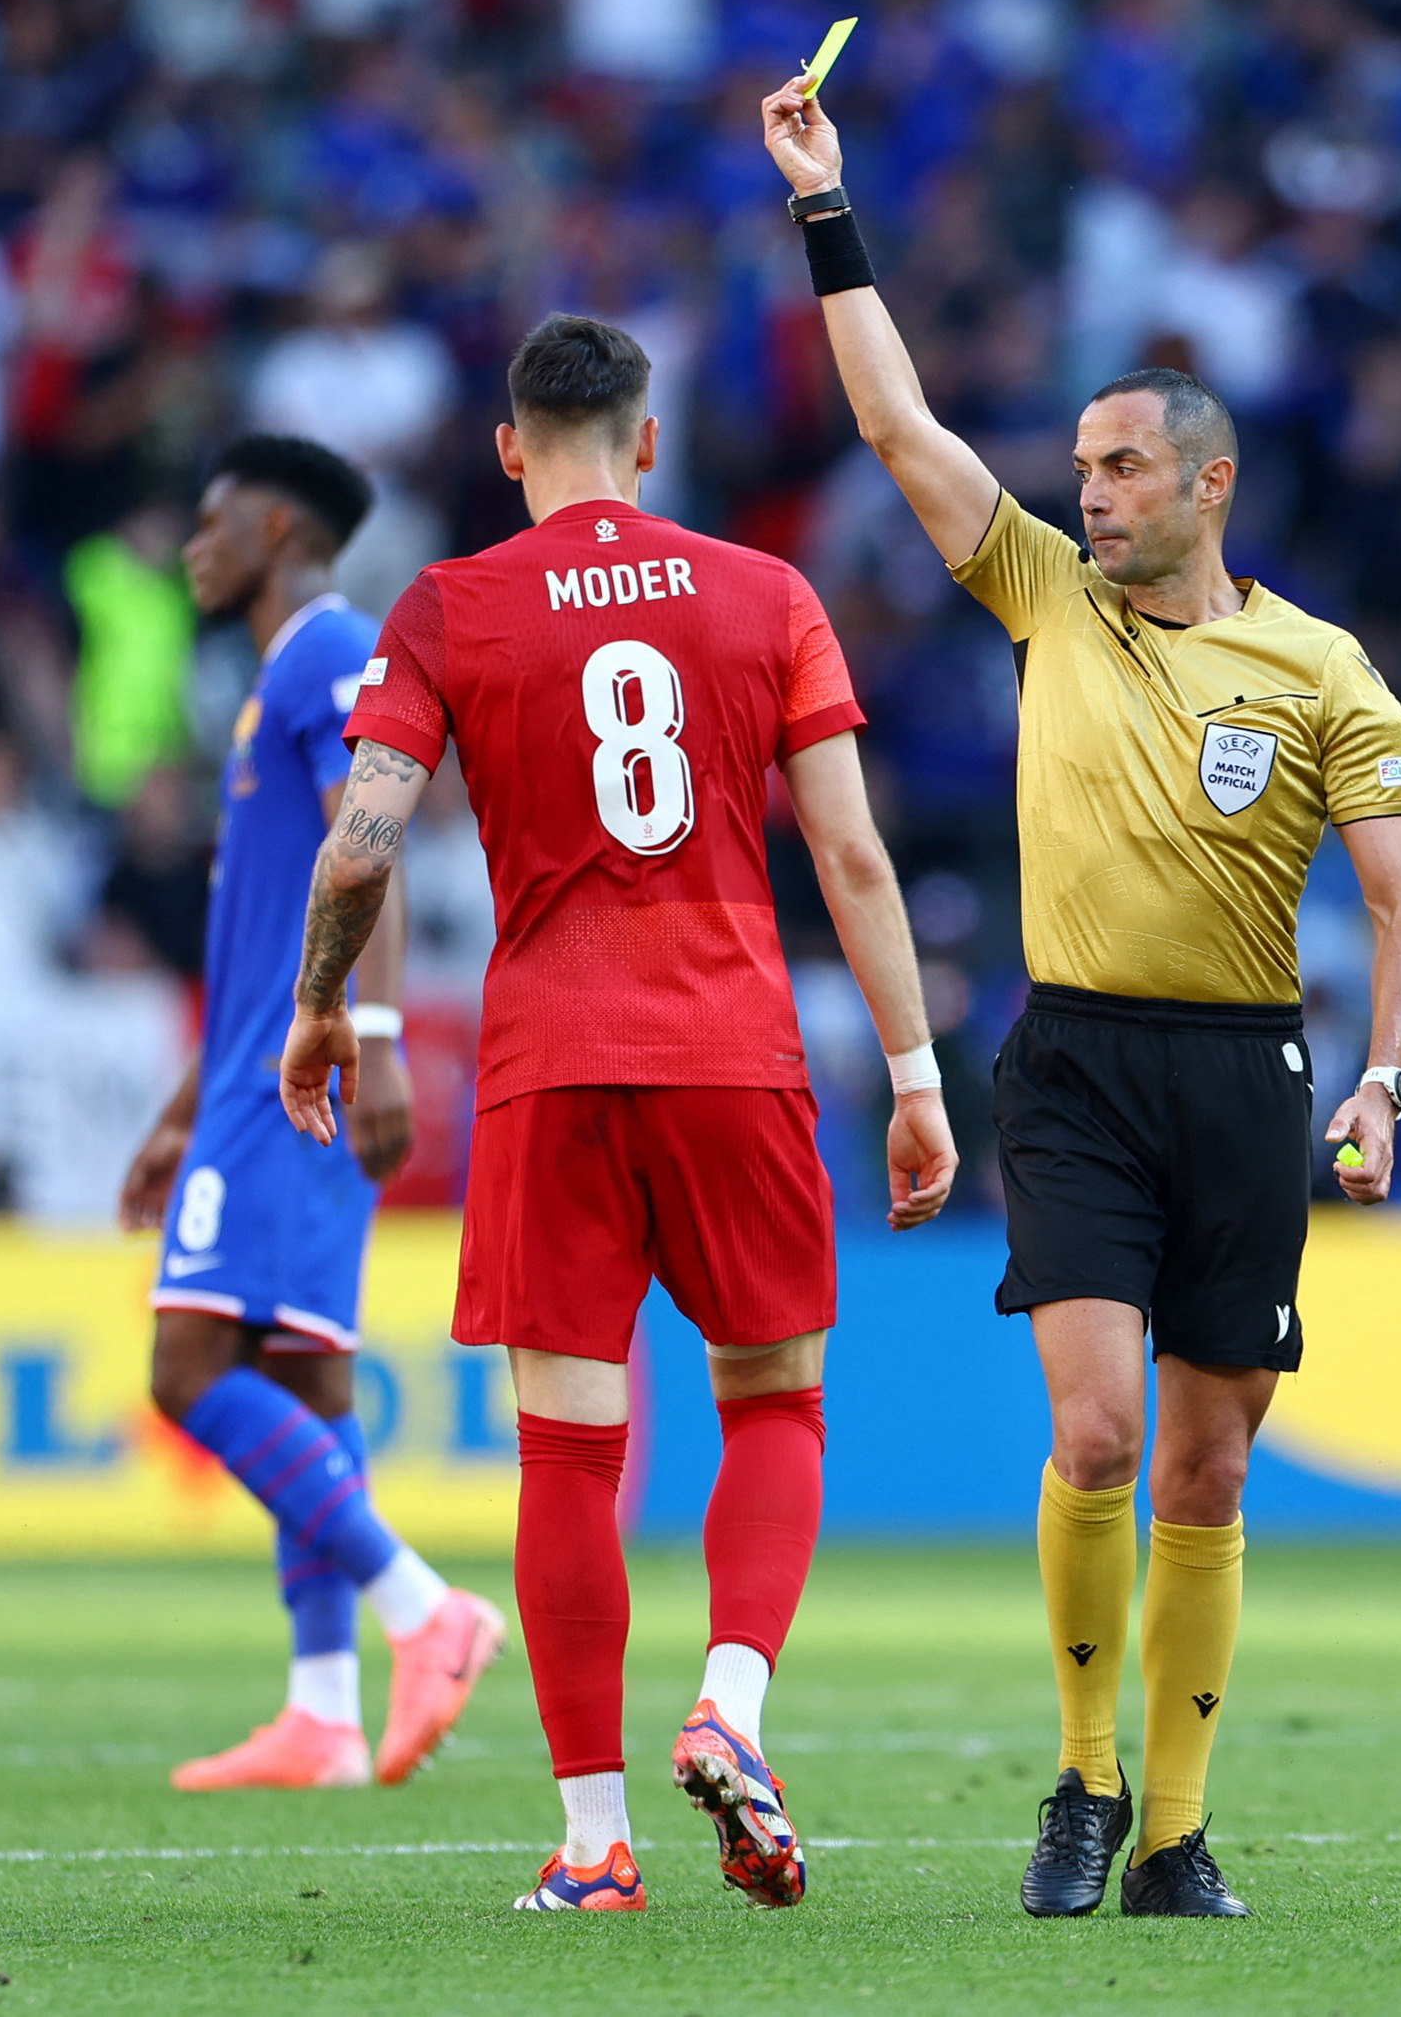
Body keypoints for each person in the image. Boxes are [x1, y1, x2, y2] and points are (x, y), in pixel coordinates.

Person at [761, 76, 1401, 1920]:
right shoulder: (1043, 594)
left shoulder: (1317, 667)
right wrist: (829, 209)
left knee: (1211, 1459)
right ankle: (1078, 1780)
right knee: (1099, 1431)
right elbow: (896, 421)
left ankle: (1176, 1831)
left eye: (1122, 464)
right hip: (1071, 1059)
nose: (1089, 490)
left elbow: (1400, 900)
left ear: (1209, 478)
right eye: (1080, 465)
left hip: (1246, 1071)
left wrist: (1380, 1083)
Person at [280, 313, 960, 1913]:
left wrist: (322, 1004)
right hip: (734, 1050)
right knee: (774, 1405)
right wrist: (918, 1072)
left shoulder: (448, 606)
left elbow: (362, 843)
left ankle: (594, 1847)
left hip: (552, 1064)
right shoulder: (767, 595)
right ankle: (731, 1699)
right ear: (648, 443)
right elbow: (854, 858)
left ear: (509, 448)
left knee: (569, 1457)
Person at [118, 433, 496, 1794]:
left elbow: (370, 846)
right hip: (248, 1070)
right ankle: (325, 1709)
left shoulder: (328, 651)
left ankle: (423, 1610)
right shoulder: (271, 676)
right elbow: (264, 931)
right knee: (305, 1378)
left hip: (297, 1074)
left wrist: (377, 1036)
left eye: (211, 521)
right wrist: (178, 1110)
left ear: (277, 524)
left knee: (186, 1368)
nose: (189, 546)